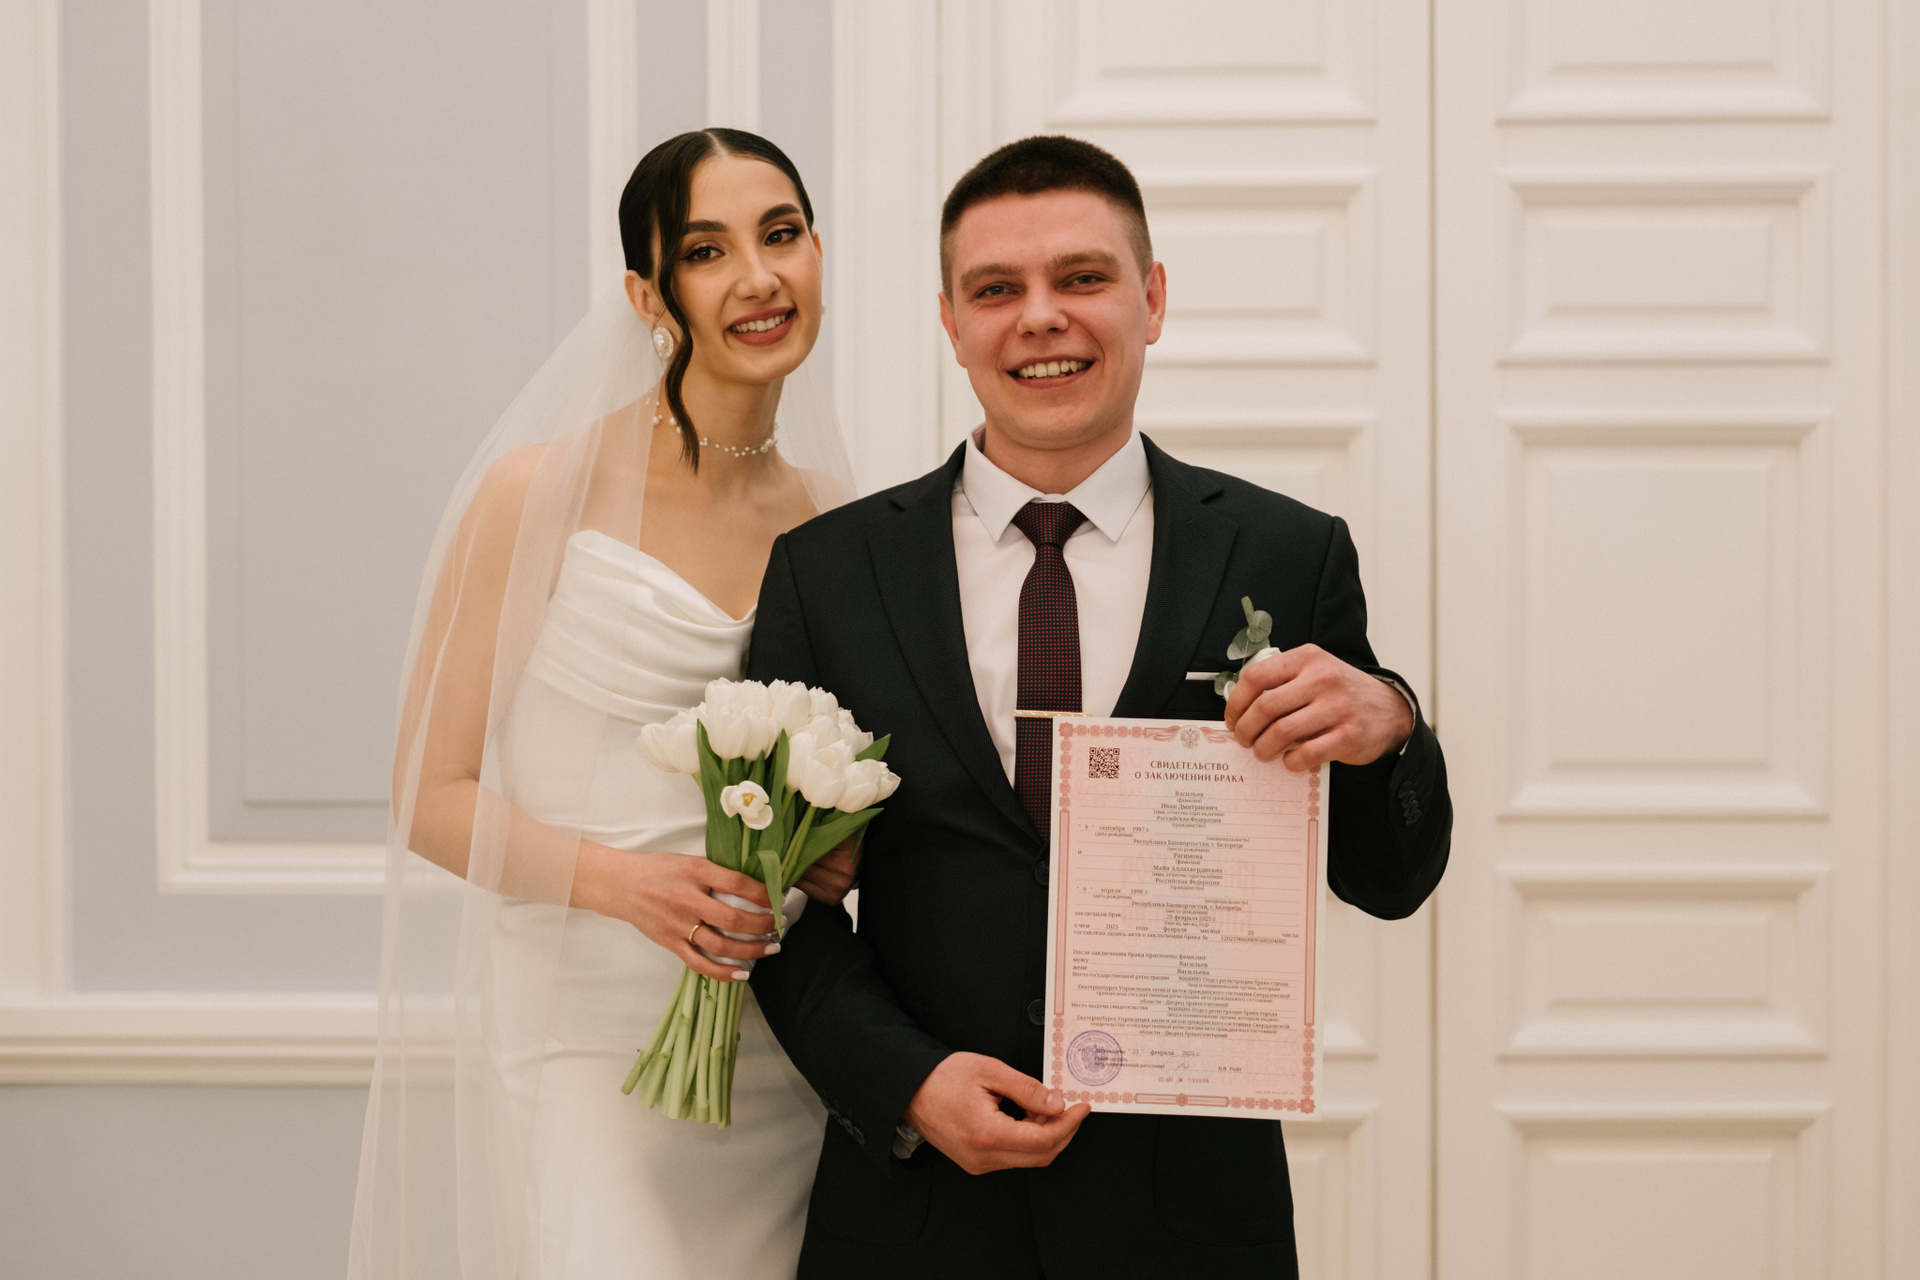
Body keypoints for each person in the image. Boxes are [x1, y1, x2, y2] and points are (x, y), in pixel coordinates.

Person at [745, 135, 1452, 1278]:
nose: (1041, 317)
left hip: (1191, 1222)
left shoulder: (1286, 552)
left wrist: (1393, 729)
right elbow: (771, 901)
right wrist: (905, 1080)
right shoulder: (829, 572)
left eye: (1081, 277)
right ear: (951, 322)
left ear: (1152, 297)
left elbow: (1387, 877)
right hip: (912, 1216)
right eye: (996, 290)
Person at [348, 128, 861, 1280]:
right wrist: (631, 885)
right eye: (708, 251)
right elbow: (430, 797)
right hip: (584, 1030)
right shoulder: (542, 489)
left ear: (819, 253)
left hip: (772, 1045)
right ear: (648, 296)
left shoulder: (832, 517)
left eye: (781, 235)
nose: (759, 277)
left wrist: (831, 849)